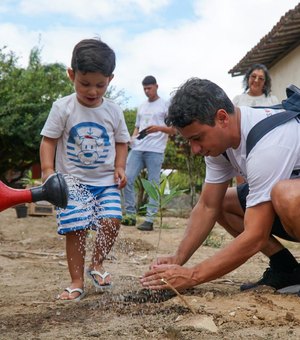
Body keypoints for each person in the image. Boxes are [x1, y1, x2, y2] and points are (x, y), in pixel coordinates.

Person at [140, 78, 300, 294]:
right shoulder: (219, 145)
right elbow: (208, 206)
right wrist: (178, 259)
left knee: (287, 196)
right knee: (224, 203)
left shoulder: (268, 144)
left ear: (222, 118)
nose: (195, 149)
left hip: (292, 199)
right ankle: (287, 271)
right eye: (190, 140)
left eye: (197, 138)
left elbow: (256, 235)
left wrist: (192, 276)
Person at [40, 38, 130, 301]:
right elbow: (49, 140)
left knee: (112, 220)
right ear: (72, 75)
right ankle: (76, 281)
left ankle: (97, 264)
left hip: (105, 182)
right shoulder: (63, 107)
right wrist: (47, 170)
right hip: (72, 184)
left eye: (100, 85)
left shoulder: (113, 110)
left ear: (110, 79)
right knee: (76, 230)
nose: (92, 91)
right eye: (85, 84)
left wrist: (120, 167)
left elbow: (122, 141)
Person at [121, 76, 175, 231]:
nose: (146, 91)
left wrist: (158, 128)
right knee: (127, 179)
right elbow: (138, 127)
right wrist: (133, 137)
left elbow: (173, 130)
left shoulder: (165, 105)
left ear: (156, 86)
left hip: (156, 150)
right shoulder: (142, 106)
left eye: (149, 88)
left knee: (153, 184)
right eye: (144, 88)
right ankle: (130, 215)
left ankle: (149, 219)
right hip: (138, 147)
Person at [233, 64, 280, 184]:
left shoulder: (272, 100)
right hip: (242, 148)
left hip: (266, 147)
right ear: (248, 78)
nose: (256, 80)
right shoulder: (238, 100)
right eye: (253, 76)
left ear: (265, 82)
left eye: (261, 78)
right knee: (242, 187)